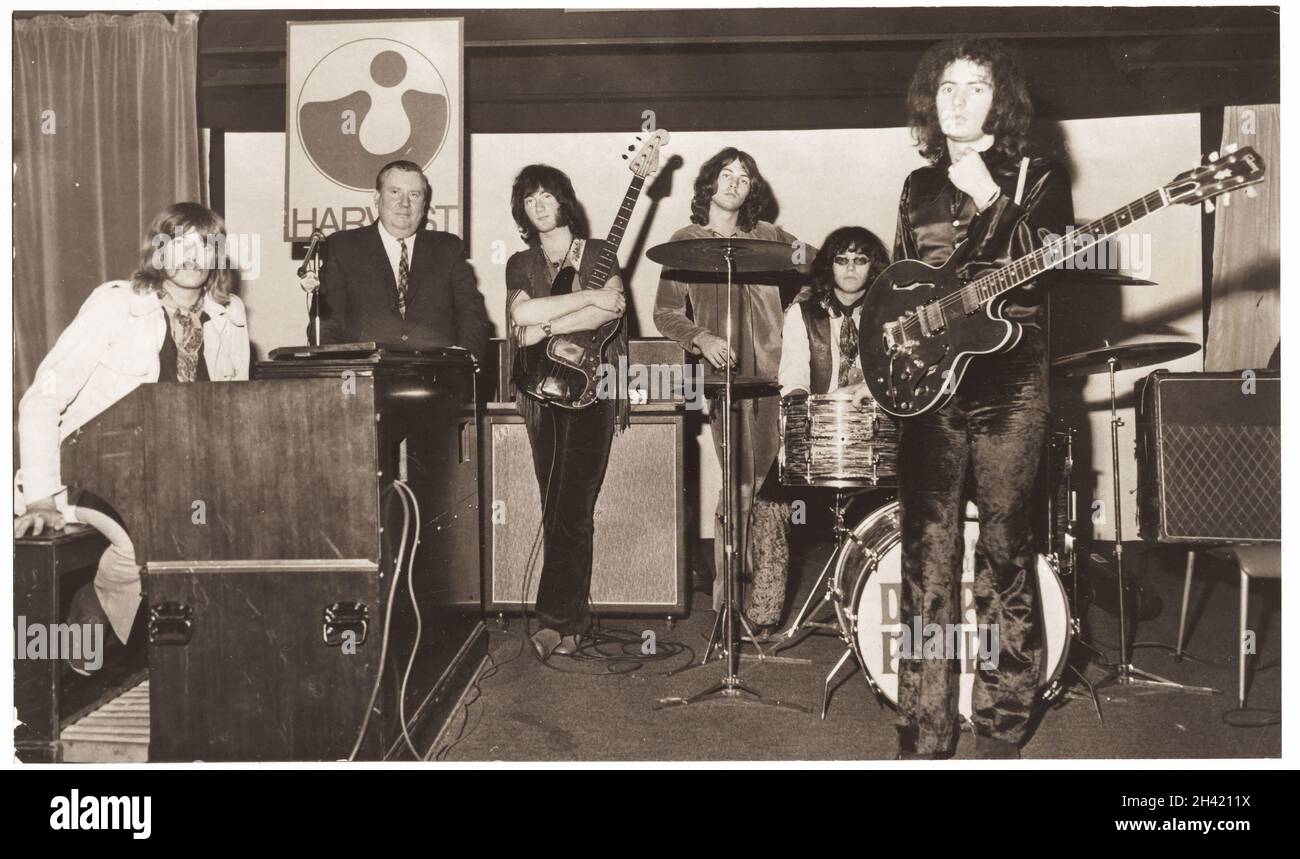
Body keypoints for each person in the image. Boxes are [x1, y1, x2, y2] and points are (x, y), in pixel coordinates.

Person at [890, 39, 1074, 759]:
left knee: (1003, 553)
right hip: (931, 388)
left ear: (1002, 99)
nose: (959, 99)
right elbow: (900, 284)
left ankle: (1001, 726)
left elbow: (1049, 263)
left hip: (1009, 384)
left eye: (976, 86)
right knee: (924, 560)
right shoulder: (916, 186)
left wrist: (993, 196)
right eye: (946, 87)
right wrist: (885, 356)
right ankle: (924, 729)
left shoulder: (1039, 174)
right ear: (930, 102)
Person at [14, 202, 252, 673]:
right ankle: (93, 613)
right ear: (156, 251)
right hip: (94, 468)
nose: (191, 256)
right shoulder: (117, 304)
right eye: (177, 243)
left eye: (204, 245)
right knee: (149, 534)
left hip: (179, 474)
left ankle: (202, 664)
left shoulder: (229, 314)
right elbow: (42, 399)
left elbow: (232, 412)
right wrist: (40, 498)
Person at [653, 148, 805, 637]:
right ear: (708, 185)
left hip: (777, 377)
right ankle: (727, 604)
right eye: (726, 174)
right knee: (737, 482)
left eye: (745, 176)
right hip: (725, 382)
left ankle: (765, 604)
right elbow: (666, 313)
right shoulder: (685, 244)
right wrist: (703, 339)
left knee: (771, 486)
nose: (736, 182)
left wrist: (797, 326)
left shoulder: (772, 238)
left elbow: (818, 268)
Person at [505, 165, 628, 660]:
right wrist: (587, 297)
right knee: (554, 502)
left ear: (563, 201)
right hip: (540, 390)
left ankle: (557, 621)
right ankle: (568, 621)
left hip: (594, 389)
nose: (538, 205)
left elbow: (611, 311)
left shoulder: (598, 252)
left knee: (575, 506)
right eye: (528, 199)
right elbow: (519, 317)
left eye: (545, 196)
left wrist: (549, 323)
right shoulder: (520, 261)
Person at [305, 160, 490, 363]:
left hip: (436, 376)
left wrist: (467, 364)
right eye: (395, 192)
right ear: (377, 198)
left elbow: (472, 315)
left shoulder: (448, 248)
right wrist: (341, 374)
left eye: (414, 195)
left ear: (425, 204)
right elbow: (326, 324)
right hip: (366, 378)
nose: (404, 203)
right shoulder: (342, 247)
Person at [778, 226, 890, 403]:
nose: (851, 268)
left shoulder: (888, 316)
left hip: (877, 421)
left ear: (873, 266)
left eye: (860, 260)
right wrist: (826, 404)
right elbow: (793, 382)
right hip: (819, 421)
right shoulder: (801, 314)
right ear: (829, 266)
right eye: (842, 260)